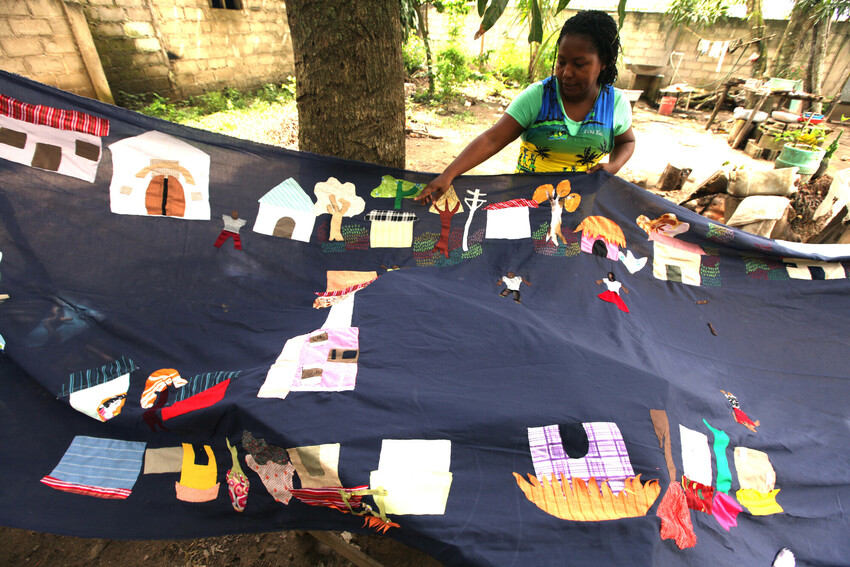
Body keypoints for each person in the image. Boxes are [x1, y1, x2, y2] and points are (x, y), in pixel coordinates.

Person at [416, 10, 635, 205]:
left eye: (579, 64)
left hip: (579, 206)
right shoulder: (538, 97)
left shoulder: (615, 104)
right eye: (561, 62)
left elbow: (627, 141)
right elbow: (492, 139)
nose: (566, 73)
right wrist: (449, 174)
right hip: (526, 205)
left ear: (603, 62)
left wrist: (614, 165)